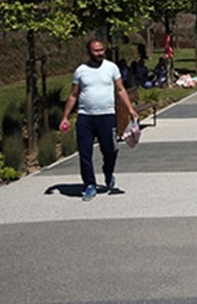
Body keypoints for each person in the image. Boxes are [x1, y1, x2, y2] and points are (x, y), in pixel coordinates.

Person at [59, 39, 139, 202]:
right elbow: (74, 95)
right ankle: (90, 185)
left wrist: (130, 109)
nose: (99, 53)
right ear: (89, 52)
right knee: (85, 153)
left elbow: (120, 89)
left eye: (101, 50)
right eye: (96, 50)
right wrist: (65, 117)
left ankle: (108, 172)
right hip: (85, 117)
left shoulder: (111, 68)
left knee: (110, 150)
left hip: (107, 117)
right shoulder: (81, 71)